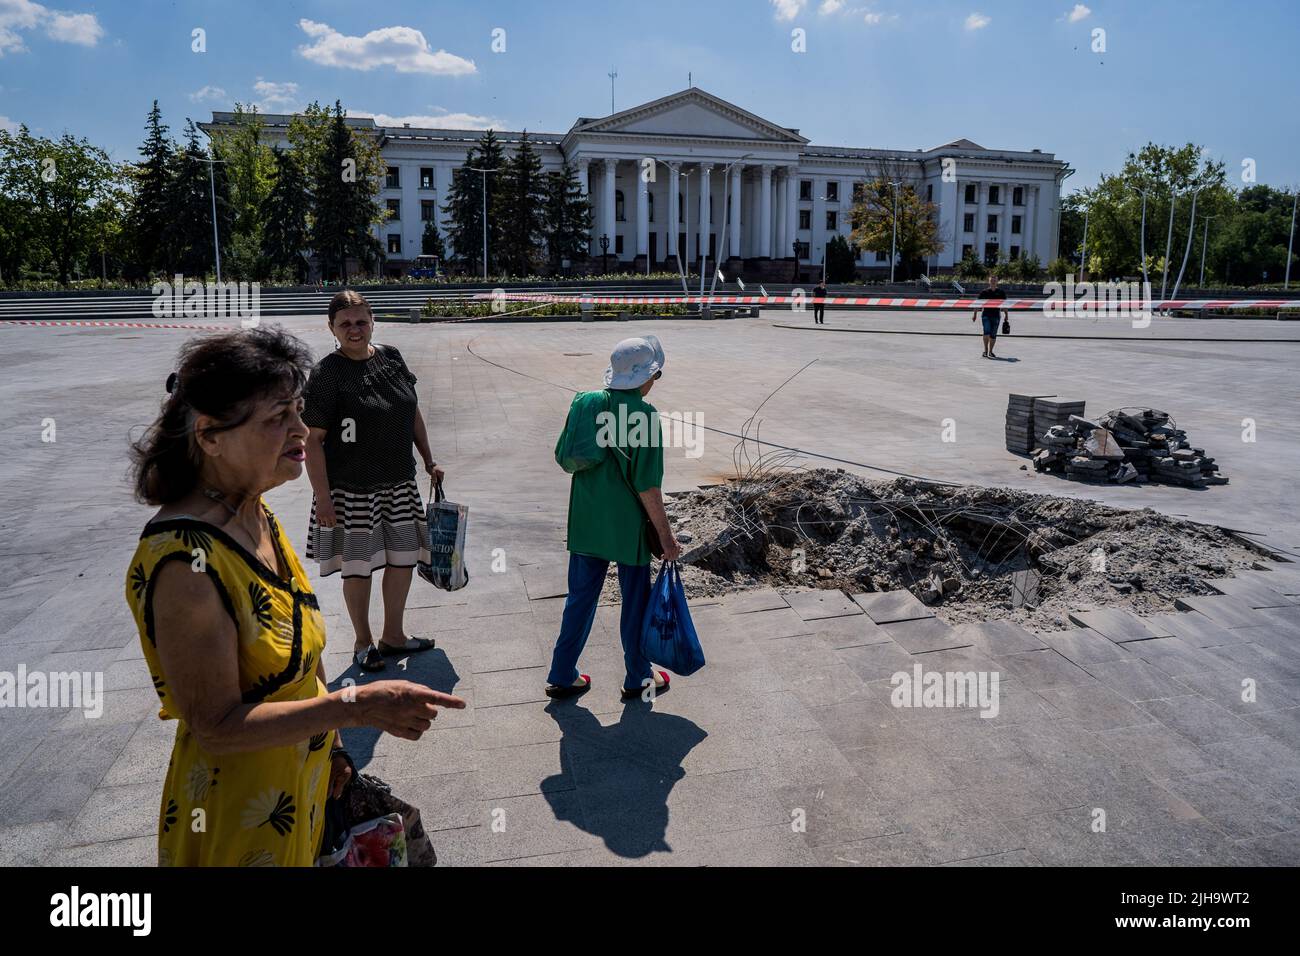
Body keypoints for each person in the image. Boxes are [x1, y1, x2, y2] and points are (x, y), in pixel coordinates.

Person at [125, 327, 464, 867]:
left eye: (299, 410)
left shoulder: (255, 513)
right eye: (277, 417)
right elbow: (215, 727)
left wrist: (333, 748)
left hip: (303, 794)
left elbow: (304, 661)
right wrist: (357, 706)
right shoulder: (184, 562)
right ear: (210, 435)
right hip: (240, 818)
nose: (301, 430)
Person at [303, 290, 444, 672]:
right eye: (345, 323)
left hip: (399, 480)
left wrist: (429, 460)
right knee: (358, 567)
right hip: (350, 489)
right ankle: (363, 641)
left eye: (361, 321)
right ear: (331, 327)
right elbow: (312, 440)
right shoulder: (327, 373)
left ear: (372, 321)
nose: (354, 329)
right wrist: (323, 498)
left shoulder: (391, 357)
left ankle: (393, 636)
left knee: (403, 560)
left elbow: (412, 412)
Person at [546, 335, 683, 702]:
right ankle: (638, 676)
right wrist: (667, 539)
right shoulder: (645, 417)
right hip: (627, 527)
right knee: (635, 600)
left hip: (587, 521)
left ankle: (562, 674)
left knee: (580, 598)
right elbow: (647, 487)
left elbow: (566, 457)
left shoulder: (587, 402)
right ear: (645, 376)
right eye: (657, 373)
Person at [973, 273, 1006, 358]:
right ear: (989, 282)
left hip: (996, 315)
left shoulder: (1001, 292)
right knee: (986, 332)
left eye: (994, 280)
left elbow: (1005, 305)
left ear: (997, 282)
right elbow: (977, 304)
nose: (993, 282)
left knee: (993, 335)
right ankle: (985, 350)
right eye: (991, 280)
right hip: (986, 315)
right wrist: (975, 314)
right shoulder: (984, 292)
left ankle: (991, 351)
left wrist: (1006, 315)